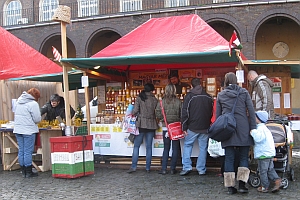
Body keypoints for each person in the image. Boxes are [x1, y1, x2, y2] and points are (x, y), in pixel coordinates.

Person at [216, 72, 256, 194]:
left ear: (226, 81)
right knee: (244, 157)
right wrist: (252, 127)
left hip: (228, 128)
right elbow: (251, 110)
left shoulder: (221, 95)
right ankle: (242, 185)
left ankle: (230, 187)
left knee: (229, 158)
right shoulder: (244, 92)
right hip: (243, 127)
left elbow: (218, 116)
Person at [180, 78, 213, 176]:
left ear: (191, 86)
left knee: (187, 145)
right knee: (203, 148)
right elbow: (211, 112)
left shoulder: (189, 96)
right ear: (201, 84)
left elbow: (185, 112)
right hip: (205, 127)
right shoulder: (208, 97)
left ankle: (187, 167)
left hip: (192, 126)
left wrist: (184, 127)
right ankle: (201, 169)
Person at [127, 83, 159, 173]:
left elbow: (135, 111)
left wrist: (134, 113)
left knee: (136, 146)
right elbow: (157, 112)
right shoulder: (154, 99)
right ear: (152, 90)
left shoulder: (139, 98)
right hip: (151, 125)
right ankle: (148, 168)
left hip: (141, 124)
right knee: (149, 147)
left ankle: (133, 167)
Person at [250, 111, 282, 193]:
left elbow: (259, 138)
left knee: (263, 171)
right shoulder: (265, 128)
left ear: (259, 119)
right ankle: (277, 180)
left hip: (263, 153)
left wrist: (252, 132)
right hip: (269, 153)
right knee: (270, 169)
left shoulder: (260, 128)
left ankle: (264, 186)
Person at [13, 88, 42, 178]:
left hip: (18, 129)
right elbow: (37, 119)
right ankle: (29, 172)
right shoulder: (33, 104)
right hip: (28, 130)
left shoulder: (18, 101)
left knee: (21, 150)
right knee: (28, 151)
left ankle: (23, 171)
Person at [155, 84, 182, 175]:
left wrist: (162, 119)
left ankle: (163, 168)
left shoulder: (161, 102)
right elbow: (181, 113)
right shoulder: (178, 102)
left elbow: (157, 112)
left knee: (166, 148)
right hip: (175, 127)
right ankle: (172, 169)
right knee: (175, 148)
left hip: (165, 127)